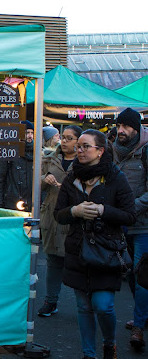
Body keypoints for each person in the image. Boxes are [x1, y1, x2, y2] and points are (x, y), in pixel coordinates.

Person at [54, 129, 135, 359]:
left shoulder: (115, 177)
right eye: (78, 146)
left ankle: (109, 343)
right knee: (83, 307)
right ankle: (88, 354)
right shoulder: (71, 177)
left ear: (100, 151)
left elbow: (130, 215)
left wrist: (103, 210)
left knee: (103, 305)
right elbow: (58, 214)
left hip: (105, 252)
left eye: (85, 146)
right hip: (78, 250)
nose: (79, 150)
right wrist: (74, 210)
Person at [110, 107, 148, 350]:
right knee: (130, 274)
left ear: (136, 128)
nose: (120, 130)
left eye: (125, 126)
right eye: (119, 126)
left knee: (141, 272)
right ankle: (142, 314)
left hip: (143, 223)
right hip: (119, 222)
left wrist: (131, 208)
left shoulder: (146, 150)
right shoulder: (111, 149)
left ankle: (139, 326)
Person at [37, 125, 82, 317]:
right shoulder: (49, 158)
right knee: (53, 261)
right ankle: (51, 301)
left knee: (78, 262)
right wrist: (43, 179)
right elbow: (36, 183)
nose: (64, 141)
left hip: (75, 217)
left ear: (79, 141)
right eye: (63, 137)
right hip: (52, 215)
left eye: (69, 138)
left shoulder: (84, 161)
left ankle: (84, 305)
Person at [0, 120, 34, 211]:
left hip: (31, 205)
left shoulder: (37, 153)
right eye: (27, 132)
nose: (30, 136)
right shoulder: (8, 152)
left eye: (32, 133)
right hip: (11, 205)